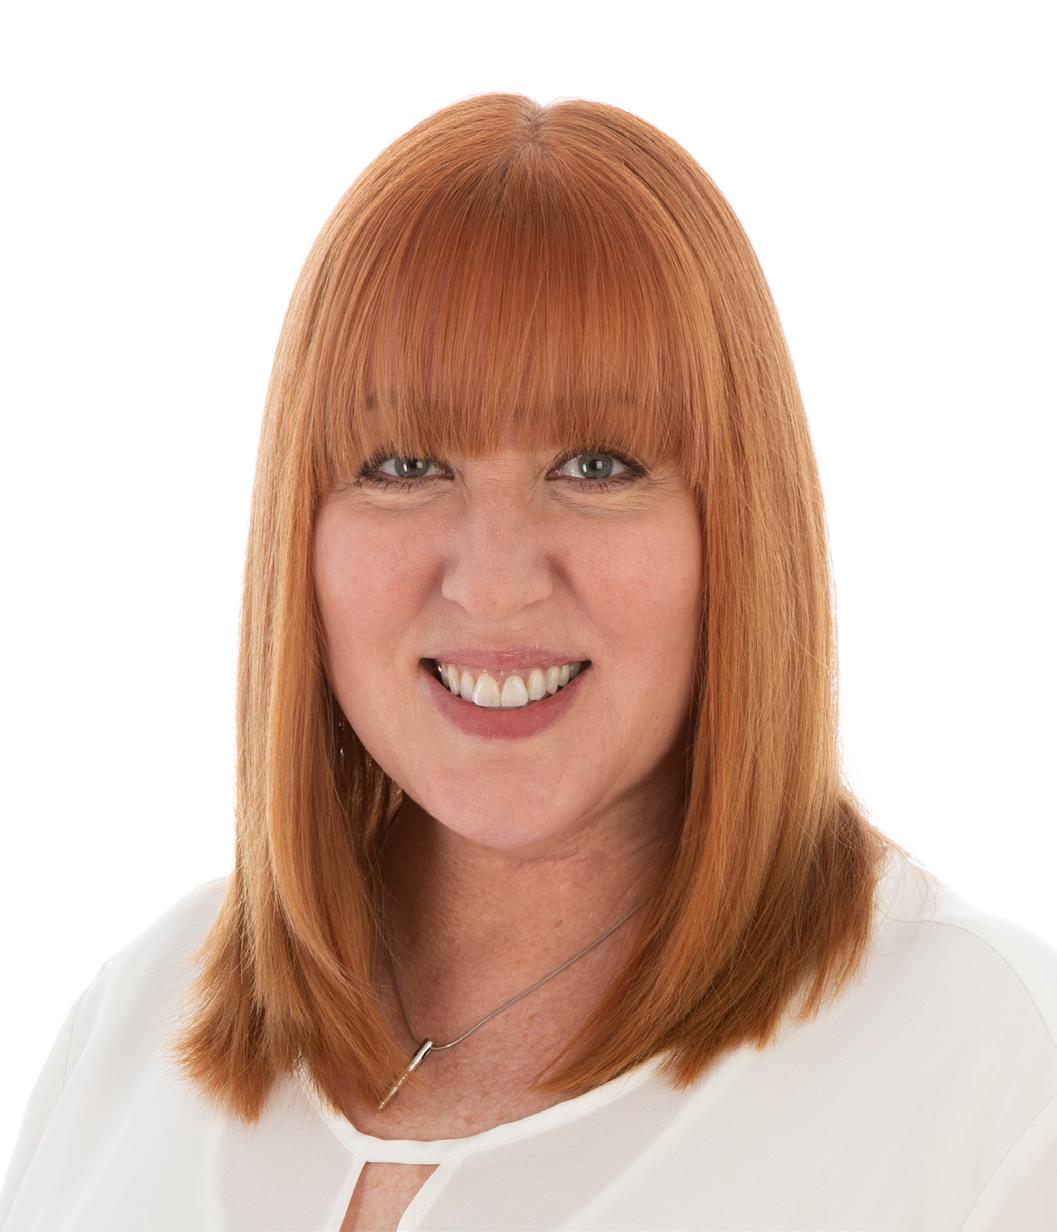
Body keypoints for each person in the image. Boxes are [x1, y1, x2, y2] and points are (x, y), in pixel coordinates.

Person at [2, 92, 1055, 1232]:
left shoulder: (994, 1086)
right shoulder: (134, 1030)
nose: (494, 584)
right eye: (403, 464)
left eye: (596, 465)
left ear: (739, 529)